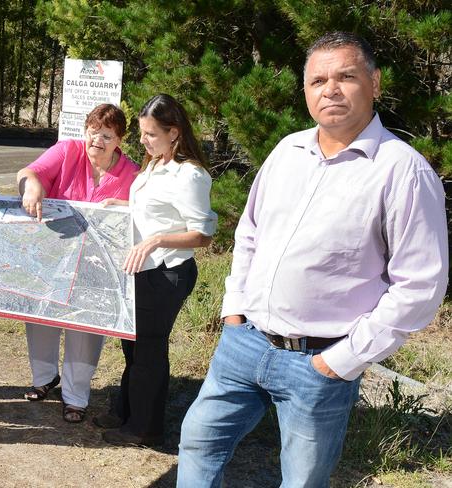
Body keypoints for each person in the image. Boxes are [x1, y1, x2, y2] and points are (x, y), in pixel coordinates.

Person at [177, 31, 448, 487]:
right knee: (199, 445)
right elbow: (250, 234)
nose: (331, 89)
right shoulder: (288, 151)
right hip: (245, 344)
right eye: (318, 80)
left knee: (302, 482)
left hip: (320, 363)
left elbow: (420, 286)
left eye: (347, 76)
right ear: (305, 91)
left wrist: (342, 359)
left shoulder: (402, 171)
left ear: (375, 83)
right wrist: (233, 312)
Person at [94, 94, 217, 447]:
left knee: (148, 350)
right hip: (142, 270)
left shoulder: (190, 174)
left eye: (151, 134)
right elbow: (153, 209)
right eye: (142, 133)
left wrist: (155, 240)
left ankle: (144, 428)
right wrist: (121, 205)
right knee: (132, 346)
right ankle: (126, 411)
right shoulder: (155, 164)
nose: (143, 140)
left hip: (166, 274)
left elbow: (203, 234)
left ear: (174, 132)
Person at [17, 104, 139, 423]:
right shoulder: (67, 150)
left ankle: (76, 396)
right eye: (93, 131)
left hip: (97, 264)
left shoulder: (132, 173)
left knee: (85, 327)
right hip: (52, 253)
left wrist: (125, 205)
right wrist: (32, 187)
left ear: (120, 140)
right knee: (42, 316)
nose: (97, 139)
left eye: (107, 135)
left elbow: (145, 209)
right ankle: (44, 379)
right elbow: (32, 173)